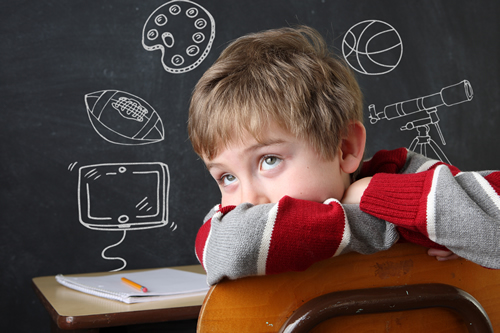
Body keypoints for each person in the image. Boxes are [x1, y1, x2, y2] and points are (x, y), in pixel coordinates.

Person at [188, 26, 500, 285]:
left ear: (345, 148)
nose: (247, 200)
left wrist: (377, 194)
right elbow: (225, 247)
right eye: (227, 177)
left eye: (269, 160)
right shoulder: (228, 223)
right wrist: (390, 222)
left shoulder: (403, 175)